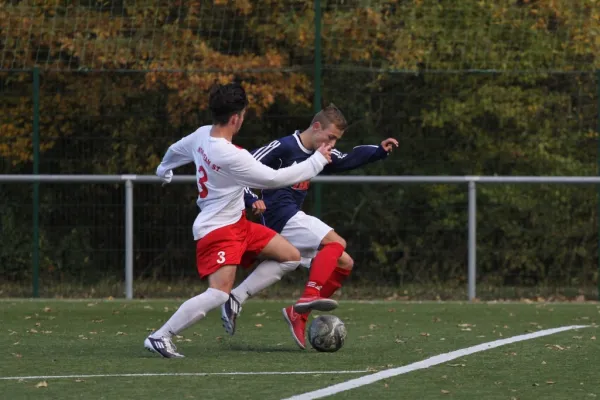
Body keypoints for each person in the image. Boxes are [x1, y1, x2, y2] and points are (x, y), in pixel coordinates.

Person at [143, 82, 334, 358]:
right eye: (243, 115)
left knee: (291, 256)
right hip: (217, 230)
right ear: (236, 118)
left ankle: (237, 298)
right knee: (218, 293)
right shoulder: (231, 155)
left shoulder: (201, 135)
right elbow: (274, 178)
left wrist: (164, 168)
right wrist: (317, 161)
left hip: (238, 224)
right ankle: (160, 336)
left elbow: (175, 149)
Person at [221, 103, 398, 349]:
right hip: (278, 214)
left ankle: (278, 308)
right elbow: (241, 167)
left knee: (342, 262)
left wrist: (378, 151)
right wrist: (252, 198)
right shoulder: (283, 146)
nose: (332, 144)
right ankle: (309, 296)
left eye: (336, 139)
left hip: (291, 216)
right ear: (316, 127)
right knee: (337, 243)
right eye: (331, 137)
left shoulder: (322, 151)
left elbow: (346, 159)